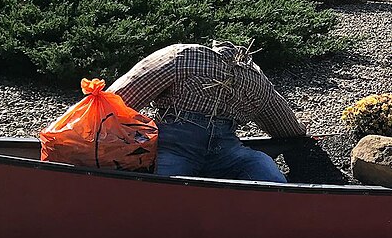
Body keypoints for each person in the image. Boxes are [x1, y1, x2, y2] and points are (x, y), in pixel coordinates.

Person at [108, 42, 305, 182]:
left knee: (162, 188)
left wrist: (84, 126)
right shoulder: (253, 77)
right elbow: (284, 125)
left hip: (186, 150)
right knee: (268, 175)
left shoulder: (181, 56)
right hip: (211, 152)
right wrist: (300, 136)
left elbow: (119, 99)